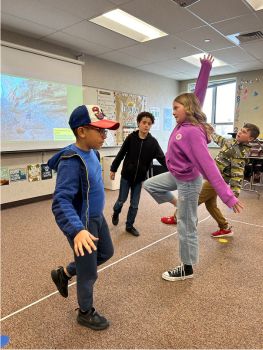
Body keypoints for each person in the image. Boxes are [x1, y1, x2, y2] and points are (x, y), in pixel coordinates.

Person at [143, 94, 243, 282]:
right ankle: (177, 205)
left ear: (188, 108)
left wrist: (228, 196)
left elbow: (209, 166)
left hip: (189, 181)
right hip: (177, 174)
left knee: (186, 225)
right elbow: (198, 93)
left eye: (176, 108)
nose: (172, 113)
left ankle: (186, 268)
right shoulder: (183, 125)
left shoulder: (192, 132)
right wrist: (205, 67)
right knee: (150, 185)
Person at [48, 105, 119, 331]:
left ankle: (65, 272)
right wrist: (77, 230)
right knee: (88, 273)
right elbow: (61, 201)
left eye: (106, 131)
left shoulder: (94, 153)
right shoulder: (71, 160)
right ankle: (85, 312)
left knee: (107, 252)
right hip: (83, 225)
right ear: (81, 132)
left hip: (96, 218)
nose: (104, 136)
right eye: (99, 130)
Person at [110, 111, 167, 236]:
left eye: (149, 124)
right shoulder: (131, 138)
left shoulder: (153, 142)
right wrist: (113, 169)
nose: (146, 125)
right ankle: (116, 212)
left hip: (139, 179)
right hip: (126, 177)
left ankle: (129, 226)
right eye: (144, 123)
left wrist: (173, 169)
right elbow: (121, 154)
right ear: (138, 123)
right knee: (121, 200)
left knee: (134, 205)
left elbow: (162, 158)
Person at [199, 123, 260, 238]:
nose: (240, 132)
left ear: (250, 138)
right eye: (241, 130)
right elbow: (219, 139)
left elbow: (237, 175)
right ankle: (225, 227)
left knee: (194, 199)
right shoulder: (231, 142)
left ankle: (177, 217)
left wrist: (233, 195)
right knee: (210, 205)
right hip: (213, 176)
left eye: (244, 132)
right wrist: (210, 131)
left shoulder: (240, 154)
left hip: (217, 181)